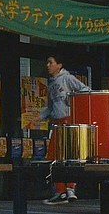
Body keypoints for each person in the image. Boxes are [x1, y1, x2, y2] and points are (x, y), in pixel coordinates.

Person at [39, 54, 89, 205]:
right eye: (47, 62)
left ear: (59, 65)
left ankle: (68, 189)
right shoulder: (51, 84)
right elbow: (51, 106)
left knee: (68, 155)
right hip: (57, 121)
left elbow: (85, 89)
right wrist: (38, 116)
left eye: (51, 62)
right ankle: (62, 190)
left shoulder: (67, 78)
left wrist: (72, 99)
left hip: (69, 120)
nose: (48, 65)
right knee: (55, 156)